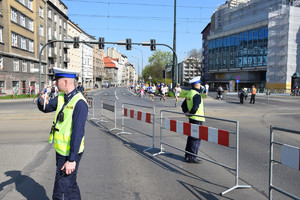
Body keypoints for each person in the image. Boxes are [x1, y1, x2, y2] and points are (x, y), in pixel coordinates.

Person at [37, 67, 88, 199]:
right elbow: (46, 107)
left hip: (70, 153)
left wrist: (71, 160)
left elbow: (78, 133)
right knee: (70, 186)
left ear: (65, 82)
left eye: (57, 80)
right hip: (61, 151)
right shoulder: (61, 97)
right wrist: (41, 100)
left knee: (61, 191)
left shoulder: (79, 102)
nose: (55, 83)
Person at [181, 76, 205, 164]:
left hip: (191, 119)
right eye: (199, 84)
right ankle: (192, 157)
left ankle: (187, 155)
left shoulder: (189, 93)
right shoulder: (197, 95)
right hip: (197, 119)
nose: (200, 85)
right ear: (197, 85)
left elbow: (183, 106)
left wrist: (187, 112)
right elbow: (195, 108)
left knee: (191, 137)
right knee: (196, 139)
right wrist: (191, 112)